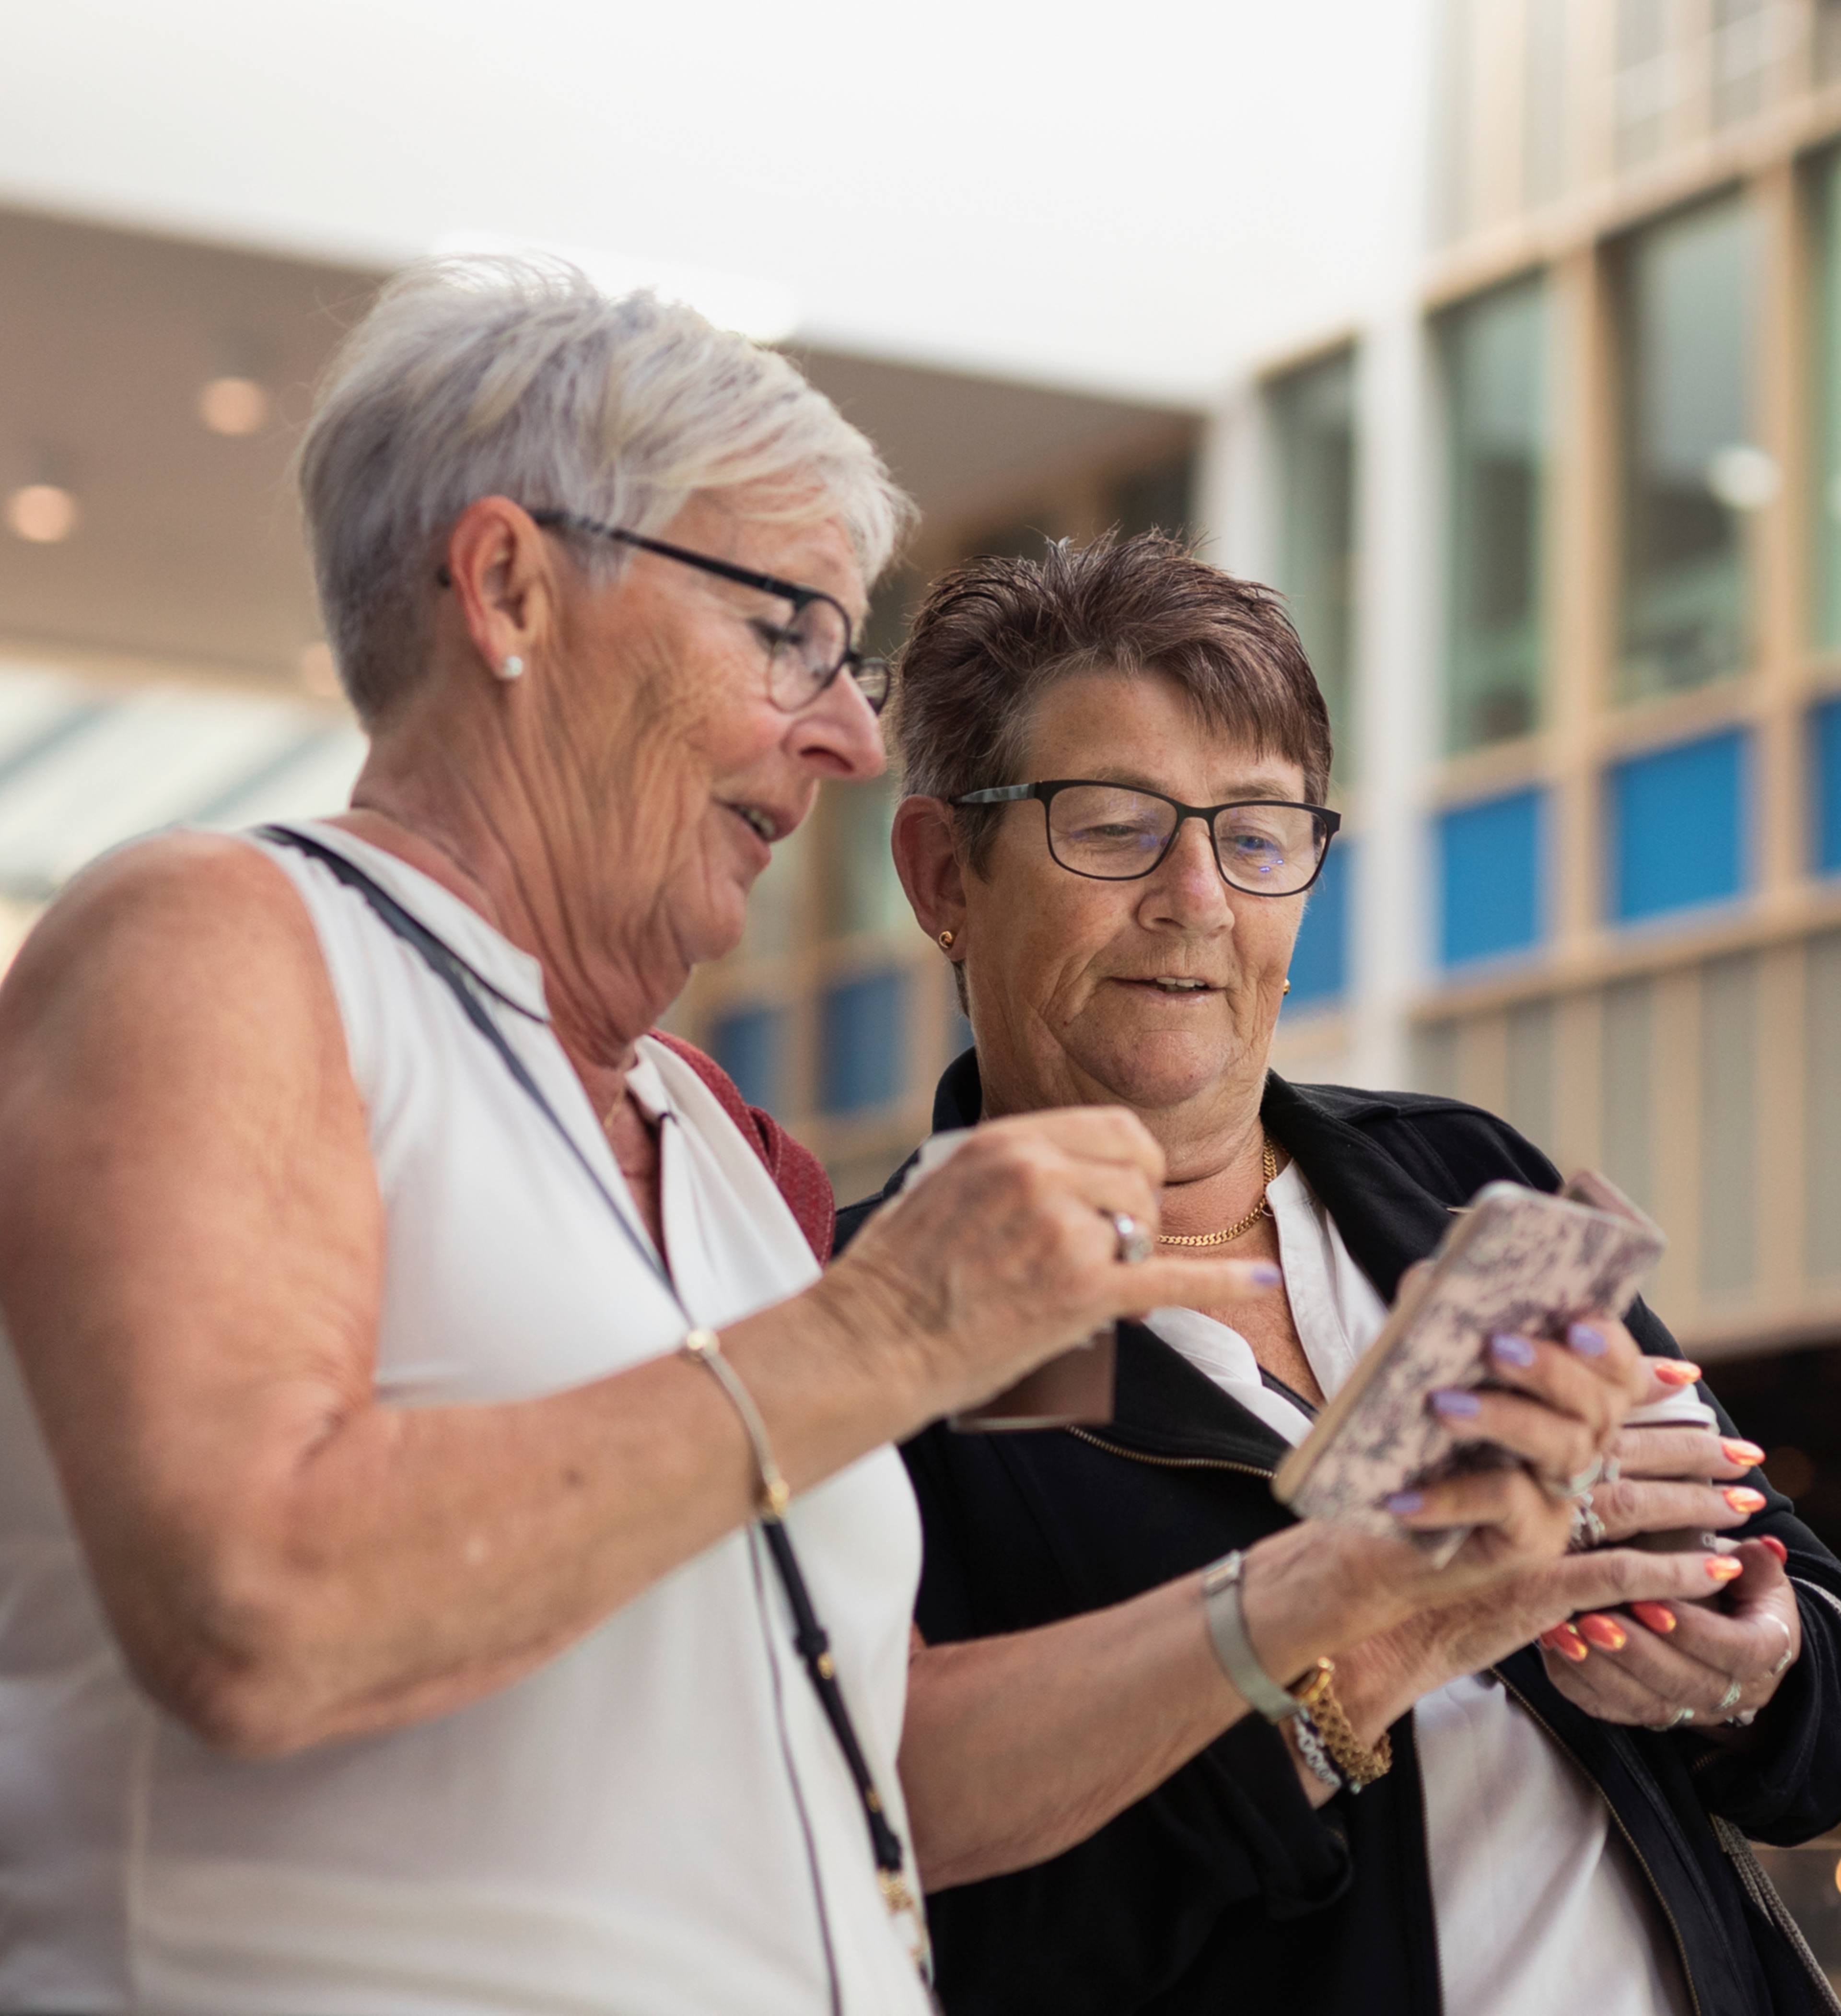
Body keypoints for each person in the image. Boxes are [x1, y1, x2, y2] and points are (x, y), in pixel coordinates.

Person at [0, 264, 1647, 2016]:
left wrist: (1366, 1581)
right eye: (784, 628)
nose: (849, 730)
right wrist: (883, 1334)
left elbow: (901, 1775)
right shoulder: (222, 941)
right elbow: (249, 1603)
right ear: (509, 591)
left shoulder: (715, 1145)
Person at [841, 530, 1841, 2016]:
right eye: (1114, 826)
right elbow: (957, 1932)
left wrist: (1743, 1658)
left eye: (1256, 834)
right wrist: (1368, 1650)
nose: (1197, 897)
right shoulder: (869, 1324)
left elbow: (1813, 1653)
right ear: (942, 875)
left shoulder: (1459, 1183)